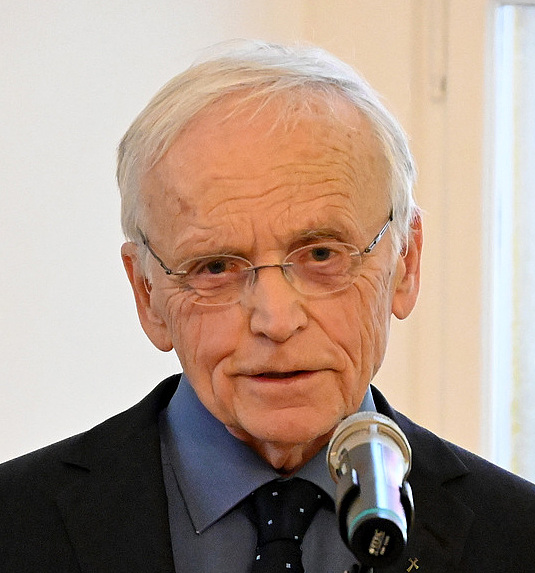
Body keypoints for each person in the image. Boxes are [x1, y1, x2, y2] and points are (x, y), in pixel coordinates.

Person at [1, 40, 534, 573]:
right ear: (147, 294)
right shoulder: (16, 525)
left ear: (405, 263)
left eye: (322, 254)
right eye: (215, 267)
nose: (276, 322)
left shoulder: (518, 536)